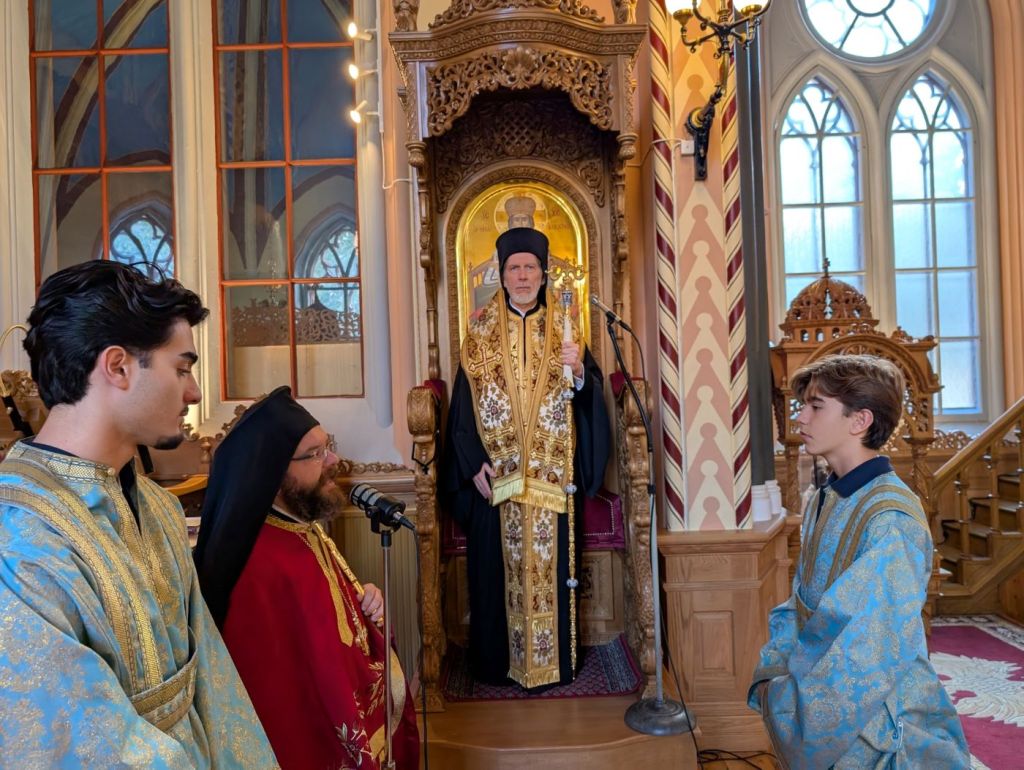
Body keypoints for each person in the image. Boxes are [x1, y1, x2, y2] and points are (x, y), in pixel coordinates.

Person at [0, 260, 277, 767]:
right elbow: (75, 743)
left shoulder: (158, 506)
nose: (194, 392)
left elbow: (212, 683)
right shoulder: (17, 539)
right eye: (182, 368)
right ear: (118, 366)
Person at [749, 354, 969, 769]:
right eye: (803, 406)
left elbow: (869, 649)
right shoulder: (827, 497)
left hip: (877, 724)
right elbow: (802, 603)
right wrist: (776, 674)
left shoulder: (890, 517)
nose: (800, 418)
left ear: (860, 420)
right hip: (814, 689)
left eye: (816, 407)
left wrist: (790, 702)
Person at [194, 386, 419, 770]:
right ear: (275, 471)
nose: (333, 460)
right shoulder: (260, 565)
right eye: (315, 453)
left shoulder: (300, 529)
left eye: (327, 446)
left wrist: (365, 604)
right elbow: (289, 695)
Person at [441, 226, 611, 690]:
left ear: (542, 274)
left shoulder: (566, 329)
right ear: (501, 275)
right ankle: (498, 666)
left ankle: (554, 663)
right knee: (494, 573)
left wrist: (579, 372)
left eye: (529, 268)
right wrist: (473, 463)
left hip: (552, 478)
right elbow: (462, 409)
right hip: (496, 479)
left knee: (552, 571)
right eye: (513, 268)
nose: (521, 276)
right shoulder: (478, 334)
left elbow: (588, 398)